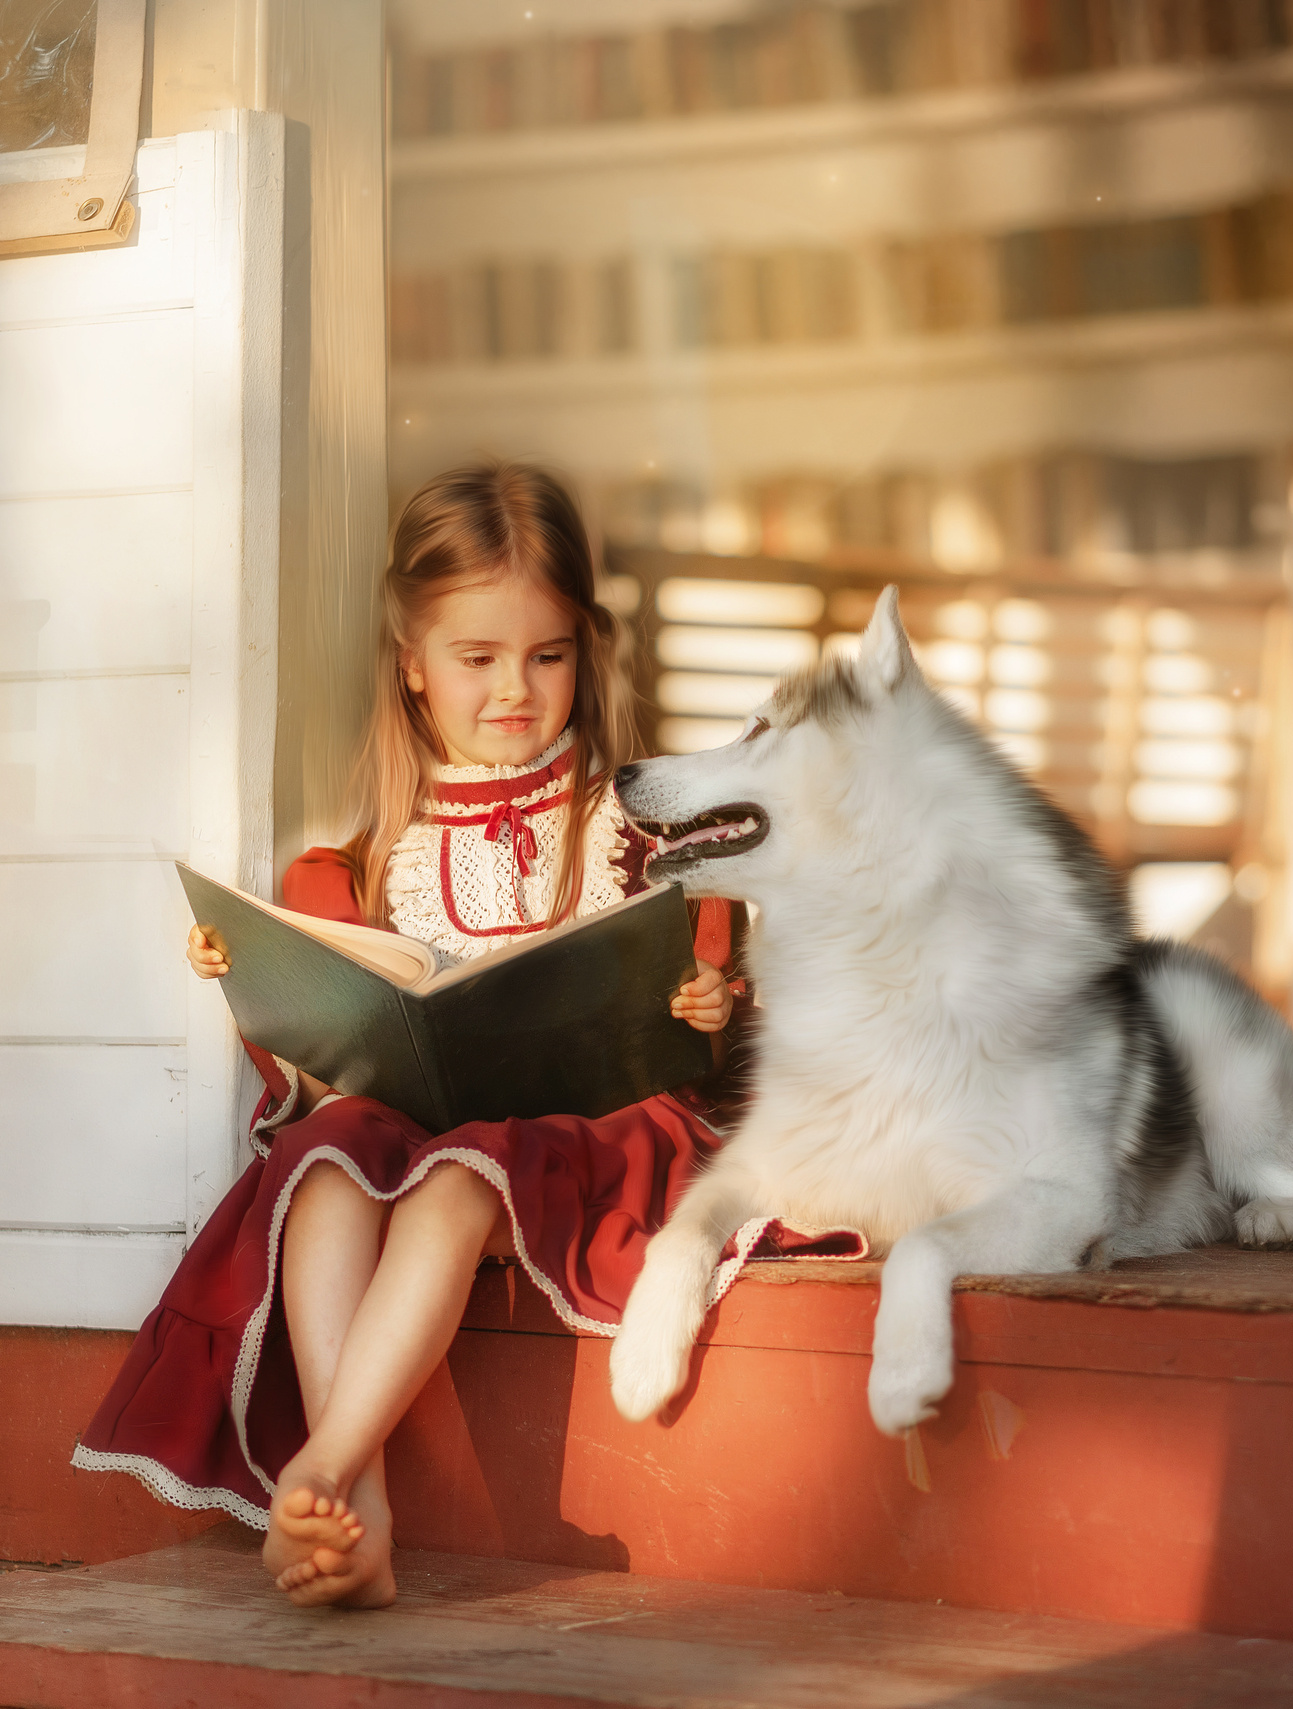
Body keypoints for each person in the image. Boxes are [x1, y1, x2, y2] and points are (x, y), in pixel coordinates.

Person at [73, 462, 821, 1608]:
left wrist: (703, 1002)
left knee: (457, 1176)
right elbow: (322, 1062)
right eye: (477, 657)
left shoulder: (635, 836)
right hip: (416, 1126)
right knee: (324, 1164)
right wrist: (260, 986)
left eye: (547, 654)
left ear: (586, 649)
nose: (514, 688)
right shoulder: (371, 859)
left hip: (584, 1134)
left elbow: (699, 1001)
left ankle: (320, 1467)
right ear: (414, 667)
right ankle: (356, 1500)